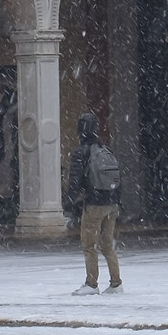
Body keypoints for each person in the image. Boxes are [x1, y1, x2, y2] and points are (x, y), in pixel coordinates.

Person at [65, 114, 123, 294]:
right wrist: (116, 200)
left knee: (89, 245)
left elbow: (75, 181)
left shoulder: (81, 152)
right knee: (107, 244)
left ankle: (91, 284)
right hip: (111, 202)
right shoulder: (105, 149)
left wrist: (68, 204)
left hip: (94, 204)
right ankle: (116, 283)